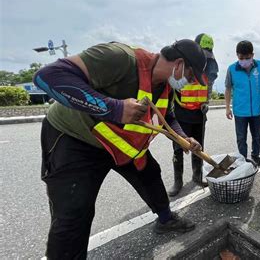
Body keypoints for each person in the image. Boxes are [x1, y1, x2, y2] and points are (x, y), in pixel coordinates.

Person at [33, 39, 206, 259]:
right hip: (76, 138)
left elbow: (167, 116)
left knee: (150, 174)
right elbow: (47, 77)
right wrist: (113, 108)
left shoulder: (166, 87)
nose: (189, 83)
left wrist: (183, 138)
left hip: (120, 142)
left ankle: (166, 219)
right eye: (191, 77)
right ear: (179, 64)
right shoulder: (119, 58)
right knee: (74, 213)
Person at [168, 33, 219, 196]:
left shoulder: (210, 66)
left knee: (198, 147)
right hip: (181, 114)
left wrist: (206, 102)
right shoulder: (182, 66)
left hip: (198, 115)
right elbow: (171, 88)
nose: (204, 58)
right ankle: (178, 181)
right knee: (178, 148)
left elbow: (208, 88)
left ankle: (197, 176)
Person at [225, 40, 260, 168]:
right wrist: (227, 108)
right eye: (241, 58)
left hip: (256, 110)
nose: (244, 60)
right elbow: (228, 88)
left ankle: (256, 156)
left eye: (247, 57)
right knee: (241, 138)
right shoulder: (232, 69)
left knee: (257, 136)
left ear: (252, 55)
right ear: (237, 55)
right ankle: (243, 160)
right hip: (240, 111)